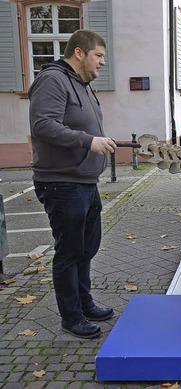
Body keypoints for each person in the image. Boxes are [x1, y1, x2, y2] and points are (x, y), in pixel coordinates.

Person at [29, 30, 117, 339]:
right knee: (69, 251)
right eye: (99, 56)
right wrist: (88, 141)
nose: (102, 62)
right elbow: (42, 125)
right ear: (79, 53)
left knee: (87, 247)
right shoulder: (53, 80)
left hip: (85, 181)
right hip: (62, 182)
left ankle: (85, 302)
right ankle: (71, 316)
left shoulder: (83, 85)